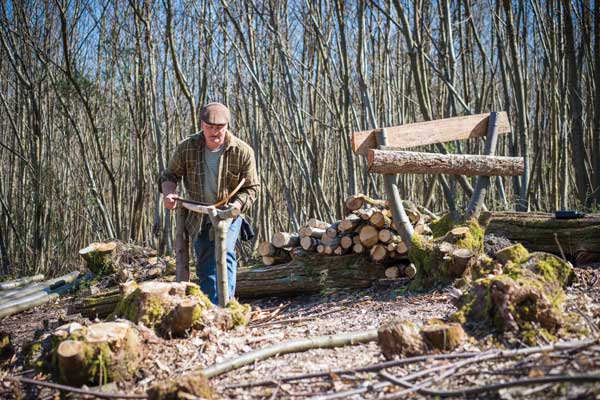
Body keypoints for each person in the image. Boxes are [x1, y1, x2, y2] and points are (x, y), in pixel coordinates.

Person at [159, 102, 259, 304]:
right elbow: (169, 175)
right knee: (205, 263)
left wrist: (237, 206)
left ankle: (226, 306)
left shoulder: (242, 151)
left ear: (227, 126)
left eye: (219, 127)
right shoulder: (187, 147)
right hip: (199, 214)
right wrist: (169, 194)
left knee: (225, 254)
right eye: (210, 127)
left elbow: (253, 188)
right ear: (202, 125)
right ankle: (210, 307)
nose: (215, 132)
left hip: (229, 213)